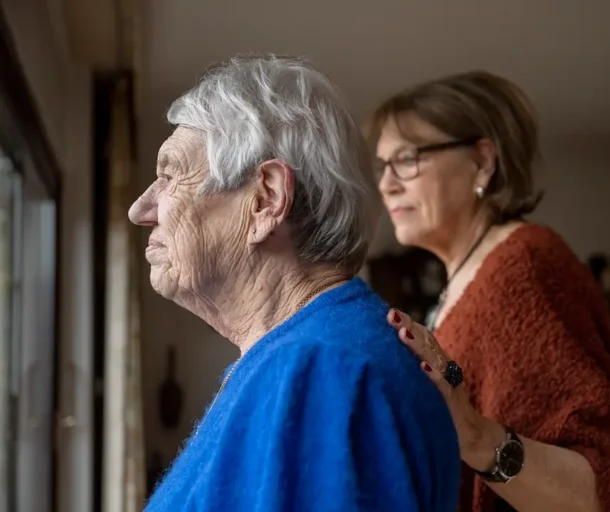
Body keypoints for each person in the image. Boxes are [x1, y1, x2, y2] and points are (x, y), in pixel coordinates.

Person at [130, 55, 460, 512]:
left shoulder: (323, 372)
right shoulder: (297, 359)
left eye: (169, 176)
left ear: (266, 200)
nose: (141, 210)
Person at [369, 71, 610, 512]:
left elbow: (602, 487)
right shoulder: (462, 281)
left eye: (407, 159)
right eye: (382, 166)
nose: (387, 183)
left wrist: (475, 436)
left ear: (482, 162)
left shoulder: (525, 263)